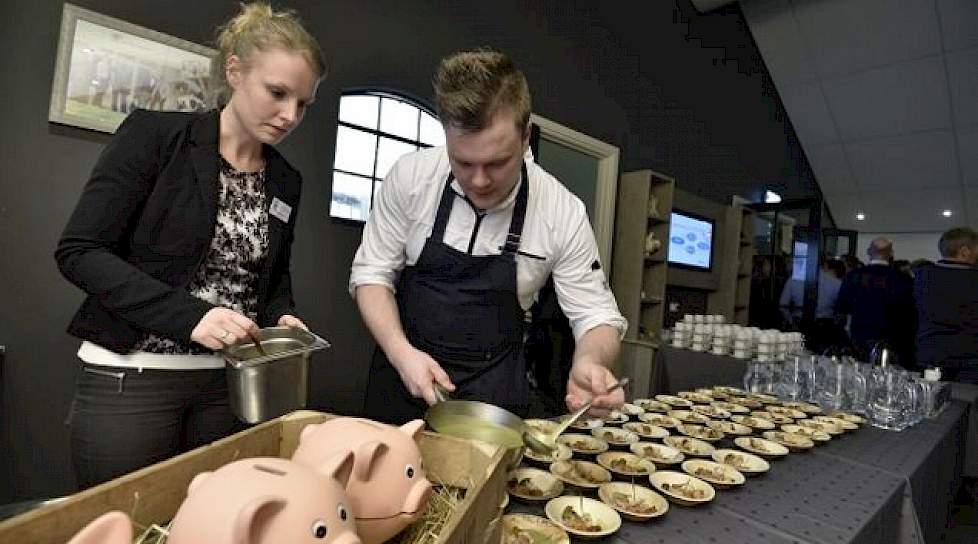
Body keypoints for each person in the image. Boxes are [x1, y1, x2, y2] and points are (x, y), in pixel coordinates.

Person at [55, 2, 325, 489]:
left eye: (303, 104)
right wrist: (192, 317)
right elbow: (80, 251)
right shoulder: (156, 138)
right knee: (125, 523)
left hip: (230, 385)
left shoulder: (286, 180)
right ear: (235, 72)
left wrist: (281, 315)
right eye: (278, 93)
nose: (289, 116)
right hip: (134, 376)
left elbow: (271, 275)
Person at [350, 49, 627, 425]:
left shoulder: (562, 211)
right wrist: (401, 354)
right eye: (463, 162)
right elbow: (371, 275)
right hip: (403, 374)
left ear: (526, 137)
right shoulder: (411, 178)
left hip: (492, 395)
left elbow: (596, 315)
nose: (479, 180)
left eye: (497, 163)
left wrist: (590, 361)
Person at [835, 238, 916, 366]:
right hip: (892, 336)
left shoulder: (854, 275)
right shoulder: (901, 278)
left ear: (869, 251)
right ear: (890, 253)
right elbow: (909, 310)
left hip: (860, 333)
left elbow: (842, 307)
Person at [913, 227, 978, 382]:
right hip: (970, 357)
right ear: (964, 251)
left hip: (929, 354)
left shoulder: (922, 276)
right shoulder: (974, 278)